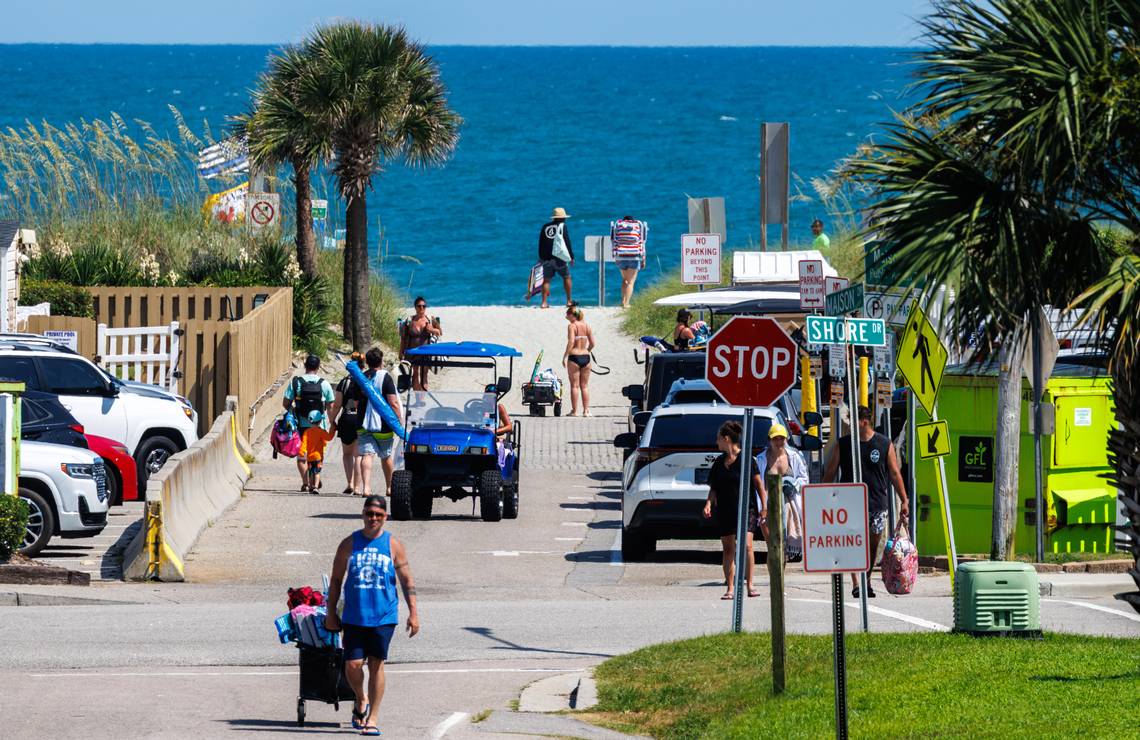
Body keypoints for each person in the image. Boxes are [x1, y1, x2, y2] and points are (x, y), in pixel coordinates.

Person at [325, 495, 419, 737]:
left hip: (383, 616)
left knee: (376, 665)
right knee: (353, 665)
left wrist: (413, 613)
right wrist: (331, 613)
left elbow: (407, 581)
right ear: (363, 514)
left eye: (378, 515)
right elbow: (336, 580)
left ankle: (373, 718)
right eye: (369, 514)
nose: (373, 519)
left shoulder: (393, 545)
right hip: (354, 616)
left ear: (385, 517)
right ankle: (361, 698)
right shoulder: (348, 544)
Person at [823, 405, 910, 598]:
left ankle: (867, 580)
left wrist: (904, 499)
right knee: (854, 544)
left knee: (872, 546)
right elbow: (830, 471)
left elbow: (895, 473)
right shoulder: (843, 444)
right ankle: (856, 584)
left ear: (864, 422)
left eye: (854, 422)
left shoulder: (884, 443)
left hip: (877, 503)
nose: (851, 427)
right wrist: (821, 496)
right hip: (849, 503)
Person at [702, 420, 764, 600]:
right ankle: (730, 587)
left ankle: (750, 584)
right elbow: (714, 487)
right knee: (728, 548)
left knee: (747, 546)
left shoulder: (747, 460)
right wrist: (708, 504)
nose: (716, 442)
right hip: (725, 510)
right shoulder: (719, 462)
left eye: (718, 439)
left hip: (747, 509)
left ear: (727, 439)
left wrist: (764, 506)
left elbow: (758, 484)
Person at [755, 423, 810, 560]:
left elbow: (804, 479)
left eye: (782, 438)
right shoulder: (761, 459)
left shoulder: (795, 457)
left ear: (786, 439)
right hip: (768, 507)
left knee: (783, 550)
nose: (779, 442)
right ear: (769, 440)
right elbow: (758, 485)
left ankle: (780, 578)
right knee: (773, 549)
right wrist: (762, 508)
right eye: (775, 439)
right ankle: (775, 578)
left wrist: (793, 484)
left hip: (791, 508)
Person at [355, 348, 404, 498]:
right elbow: (393, 402)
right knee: (386, 455)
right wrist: (399, 421)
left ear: (367, 362)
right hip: (383, 424)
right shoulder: (386, 378)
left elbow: (356, 402)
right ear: (381, 361)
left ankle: (366, 488)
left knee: (367, 455)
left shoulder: (361, 377)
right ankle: (389, 487)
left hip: (363, 423)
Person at [282, 354, 334, 492]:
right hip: (318, 427)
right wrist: (332, 421)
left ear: (305, 366)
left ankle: (305, 483)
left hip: (301, 424)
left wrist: (293, 411)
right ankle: (314, 481)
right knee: (316, 455)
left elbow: (286, 403)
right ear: (318, 367)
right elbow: (330, 406)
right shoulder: (324, 383)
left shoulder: (296, 382)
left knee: (302, 455)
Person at [329, 352, 366, 495]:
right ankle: (357, 487)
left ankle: (349, 483)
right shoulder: (365, 381)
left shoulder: (344, 382)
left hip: (347, 418)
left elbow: (337, 404)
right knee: (358, 455)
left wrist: (331, 420)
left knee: (347, 454)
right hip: (361, 418)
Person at [398, 297, 442, 391]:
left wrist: (432, 330)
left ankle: (422, 398)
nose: (422, 308)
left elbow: (440, 332)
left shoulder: (430, 319)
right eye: (419, 306)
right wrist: (400, 352)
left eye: (424, 306)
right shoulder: (409, 321)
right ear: (415, 307)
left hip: (426, 353)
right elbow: (403, 338)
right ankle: (418, 399)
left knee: (424, 374)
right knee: (415, 374)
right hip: (412, 352)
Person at [563, 302, 595, 417]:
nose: (566, 315)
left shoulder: (572, 326)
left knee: (574, 386)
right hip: (586, 357)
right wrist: (587, 351)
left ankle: (574, 411)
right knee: (585, 386)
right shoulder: (587, 326)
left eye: (567, 313)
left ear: (572, 315)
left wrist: (565, 356)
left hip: (574, 356)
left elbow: (571, 342)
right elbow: (593, 343)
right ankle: (586, 411)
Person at [537, 207, 574, 308]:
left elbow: (541, 243)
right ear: (562, 218)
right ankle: (569, 301)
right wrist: (571, 256)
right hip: (559, 258)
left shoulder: (545, 227)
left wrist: (541, 257)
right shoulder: (562, 226)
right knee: (566, 277)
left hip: (546, 258)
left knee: (547, 280)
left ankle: (544, 303)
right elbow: (566, 241)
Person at [611, 215, 647, 308]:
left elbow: (613, 241)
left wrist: (615, 257)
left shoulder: (618, 226)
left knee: (625, 280)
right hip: (634, 256)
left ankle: (623, 301)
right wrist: (643, 259)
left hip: (621, 256)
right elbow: (642, 243)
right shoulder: (638, 225)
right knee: (631, 282)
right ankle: (626, 304)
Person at [299, 410, 337, 493]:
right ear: (320, 421)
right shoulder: (321, 431)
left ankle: (311, 486)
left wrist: (302, 452)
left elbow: (304, 444)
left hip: (309, 457)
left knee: (311, 472)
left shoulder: (306, 432)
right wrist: (333, 428)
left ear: (309, 421)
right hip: (318, 456)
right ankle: (316, 487)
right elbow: (329, 437)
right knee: (317, 472)